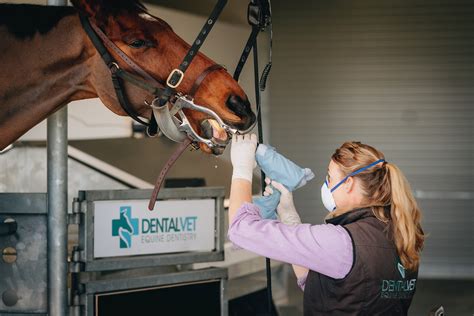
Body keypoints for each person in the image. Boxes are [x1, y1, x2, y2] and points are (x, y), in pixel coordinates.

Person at [228, 133, 425, 315]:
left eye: (329, 177)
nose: (327, 185)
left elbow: (240, 228)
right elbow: (328, 287)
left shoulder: (343, 241)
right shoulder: (402, 234)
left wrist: (241, 169)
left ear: (348, 184)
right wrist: (290, 219)